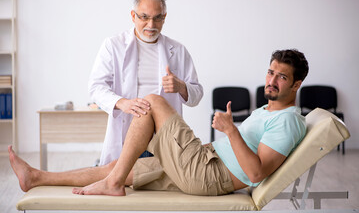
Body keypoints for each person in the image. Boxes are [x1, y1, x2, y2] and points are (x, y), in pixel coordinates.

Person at [9, 49, 309, 196]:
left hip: (209, 173)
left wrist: (231, 131)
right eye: (270, 72)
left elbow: (256, 173)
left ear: (296, 85)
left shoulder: (288, 122)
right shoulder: (267, 111)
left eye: (281, 77)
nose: (271, 80)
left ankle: (113, 183)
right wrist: (224, 138)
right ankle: (36, 177)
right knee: (115, 168)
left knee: (153, 101)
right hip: (205, 161)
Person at [88, 0, 203, 164]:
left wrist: (181, 87)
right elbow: (96, 88)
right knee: (119, 180)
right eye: (144, 17)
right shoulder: (113, 46)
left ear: (164, 18)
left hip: (162, 137)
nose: (151, 25)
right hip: (128, 134)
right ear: (133, 16)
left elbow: (197, 94)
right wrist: (122, 103)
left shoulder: (178, 50)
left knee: (158, 187)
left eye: (157, 18)